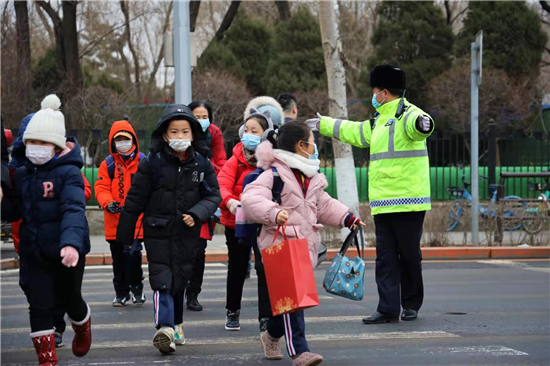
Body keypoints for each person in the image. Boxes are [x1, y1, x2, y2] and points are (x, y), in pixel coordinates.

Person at [307, 64, 434, 324]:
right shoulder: (377, 120)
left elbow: (422, 125)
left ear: (384, 92)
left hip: (409, 201)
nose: (373, 95)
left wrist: (424, 124)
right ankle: (387, 309)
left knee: (410, 255)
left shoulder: (408, 114)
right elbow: (355, 132)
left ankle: (410, 304)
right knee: (385, 259)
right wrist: (325, 124)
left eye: (375, 90)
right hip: (383, 203)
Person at [241, 121, 365, 366]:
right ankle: (299, 352)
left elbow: (325, 205)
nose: (314, 146)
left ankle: (271, 334)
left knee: (290, 303)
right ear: (301, 146)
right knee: (292, 302)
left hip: (303, 247)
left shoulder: (310, 177)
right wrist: (273, 212)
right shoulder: (274, 174)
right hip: (279, 246)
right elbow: (250, 198)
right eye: (312, 141)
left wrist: (347, 218)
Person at [116, 104, 221, 354]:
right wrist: (125, 237)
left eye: (185, 132)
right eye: (174, 132)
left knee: (179, 280)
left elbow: (214, 195)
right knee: (161, 279)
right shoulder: (151, 164)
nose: (180, 137)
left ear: (193, 134)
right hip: (157, 231)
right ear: (164, 135)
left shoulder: (202, 164)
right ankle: (164, 328)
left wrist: (196, 214)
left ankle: (176, 324)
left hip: (187, 233)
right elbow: (134, 200)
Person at [1, 95, 92, 365]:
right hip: (34, 252)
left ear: (55, 146)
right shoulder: (23, 174)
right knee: (39, 305)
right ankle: (47, 361)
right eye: (30, 142)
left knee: (69, 299)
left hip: (67, 252)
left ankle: (82, 325)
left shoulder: (69, 173)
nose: (35, 148)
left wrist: (71, 243)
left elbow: (73, 209)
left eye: (42, 143)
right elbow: (14, 211)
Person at [218, 108, 274, 331]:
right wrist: (230, 202)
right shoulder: (235, 159)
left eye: (255, 130)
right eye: (246, 130)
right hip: (237, 222)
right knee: (237, 268)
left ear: (265, 135)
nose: (249, 134)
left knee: (264, 269)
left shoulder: (271, 161)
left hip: (263, 223)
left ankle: (266, 317)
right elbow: (221, 186)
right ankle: (232, 312)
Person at [95, 120, 146, 307]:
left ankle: (137, 287)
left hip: (136, 221)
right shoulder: (107, 164)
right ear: (113, 142)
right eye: (119, 139)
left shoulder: (143, 161)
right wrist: (109, 203)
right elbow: (101, 187)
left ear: (133, 139)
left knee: (133, 255)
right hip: (114, 222)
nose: (123, 142)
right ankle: (121, 292)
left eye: (126, 138)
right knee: (118, 260)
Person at [186, 101, 227, 312]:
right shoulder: (179, 134)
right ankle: (179, 287)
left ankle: (193, 293)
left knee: (199, 250)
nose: (201, 121)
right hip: (180, 198)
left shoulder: (214, 134)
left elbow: (221, 164)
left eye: (205, 116)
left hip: (204, 196)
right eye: (197, 116)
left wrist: (205, 167)